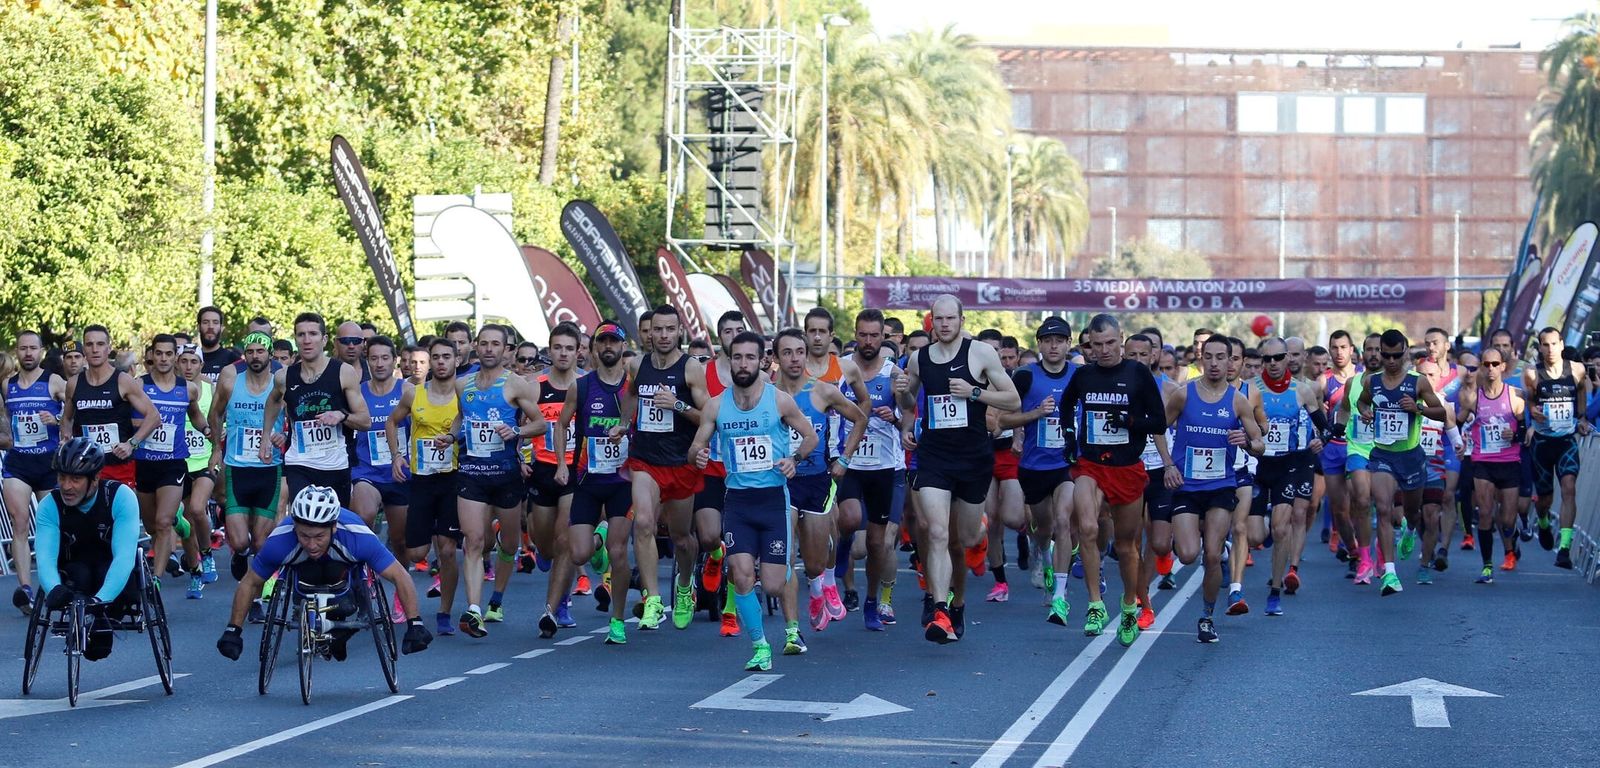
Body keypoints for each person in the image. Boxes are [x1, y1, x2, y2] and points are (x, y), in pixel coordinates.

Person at [688, 331, 819, 670]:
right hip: (739, 503)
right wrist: (697, 456)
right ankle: (760, 645)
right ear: (729, 361)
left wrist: (795, 460)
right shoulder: (717, 405)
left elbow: (810, 436)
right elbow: (696, 444)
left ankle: (788, 619)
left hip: (773, 500)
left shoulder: (778, 401)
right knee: (741, 574)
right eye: (737, 357)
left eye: (749, 357)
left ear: (762, 361)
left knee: (773, 584)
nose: (743, 364)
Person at [896, 294, 1020, 644]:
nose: (945, 324)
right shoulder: (919, 359)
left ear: (962, 320)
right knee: (936, 533)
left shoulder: (980, 353)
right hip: (934, 457)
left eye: (951, 319)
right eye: (939, 319)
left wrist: (975, 392)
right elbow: (909, 404)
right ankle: (940, 610)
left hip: (974, 458)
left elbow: (1013, 400)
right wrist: (903, 393)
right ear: (931, 321)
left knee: (964, 539)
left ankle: (960, 600)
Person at [215, 486, 432, 663]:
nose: (311, 544)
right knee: (305, 571)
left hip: (343, 571)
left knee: (346, 596)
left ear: (333, 528)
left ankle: (345, 620)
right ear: (295, 528)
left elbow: (399, 575)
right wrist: (233, 630)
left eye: (319, 536)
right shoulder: (280, 541)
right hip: (304, 572)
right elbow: (249, 583)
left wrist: (416, 624)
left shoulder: (357, 537)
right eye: (304, 535)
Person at [1056, 313, 1166, 646]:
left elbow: (1158, 421)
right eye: (1096, 344)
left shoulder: (1137, 373)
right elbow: (1066, 407)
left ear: (1120, 340)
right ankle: (1094, 605)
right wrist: (1070, 437)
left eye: (1110, 343)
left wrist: (1130, 420)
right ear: (1088, 343)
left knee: (1127, 546)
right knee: (1087, 528)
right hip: (1091, 465)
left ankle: (1129, 607)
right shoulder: (1084, 375)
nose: (1103, 351)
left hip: (1127, 468)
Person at [618, 305, 710, 632]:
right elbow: (630, 395)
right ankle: (654, 599)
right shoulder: (637, 364)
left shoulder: (691, 369)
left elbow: (708, 416)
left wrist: (678, 405)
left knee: (681, 537)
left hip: (680, 462)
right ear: (648, 332)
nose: (664, 335)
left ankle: (685, 586)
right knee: (643, 522)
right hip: (645, 460)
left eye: (670, 329)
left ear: (679, 331)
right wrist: (622, 423)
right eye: (657, 330)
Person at [1164, 338, 1262, 643]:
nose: (1217, 363)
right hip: (1187, 486)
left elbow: (1260, 444)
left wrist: (1245, 441)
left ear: (1231, 359)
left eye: (1223, 357)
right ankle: (1215, 553)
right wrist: (1168, 465)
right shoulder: (1183, 395)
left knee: (1211, 554)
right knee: (1189, 554)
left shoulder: (1237, 400)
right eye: (1210, 357)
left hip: (1221, 486)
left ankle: (1206, 617)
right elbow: (1157, 429)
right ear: (1201, 359)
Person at [453, 324, 547, 637]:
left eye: (496, 344)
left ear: (505, 349)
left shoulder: (515, 384)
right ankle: (474, 610)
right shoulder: (462, 384)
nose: (489, 349)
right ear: (476, 347)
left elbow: (540, 424)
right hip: (471, 473)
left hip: (506, 475)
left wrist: (516, 431)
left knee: (509, 543)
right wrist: (449, 436)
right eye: (485, 343)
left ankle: (497, 598)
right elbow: (460, 418)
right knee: (474, 541)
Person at [773, 328, 866, 634]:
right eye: (787, 353)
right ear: (776, 358)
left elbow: (860, 418)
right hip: (780, 484)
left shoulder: (822, 391)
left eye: (799, 352)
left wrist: (845, 459)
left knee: (813, 563)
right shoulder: (766, 393)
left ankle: (818, 590)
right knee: (786, 557)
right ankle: (791, 629)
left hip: (815, 481)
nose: (795, 359)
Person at [552, 323, 631, 642]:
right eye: (603, 341)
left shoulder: (634, 387)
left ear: (623, 346)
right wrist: (560, 463)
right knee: (580, 553)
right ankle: (598, 535)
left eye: (614, 340)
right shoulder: (582, 387)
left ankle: (618, 620)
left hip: (624, 480)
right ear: (594, 347)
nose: (608, 346)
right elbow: (559, 424)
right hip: (586, 478)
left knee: (619, 551)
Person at [1355, 330, 1449, 596]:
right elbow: (1362, 403)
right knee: (1383, 510)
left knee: (1412, 513)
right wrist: (1366, 413)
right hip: (1382, 455)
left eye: (1397, 355)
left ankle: (1409, 529)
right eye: (1387, 355)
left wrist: (1418, 409)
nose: (1392, 360)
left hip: (1410, 457)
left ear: (1405, 352)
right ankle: (1390, 575)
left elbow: (1441, 413)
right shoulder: (1372, 383)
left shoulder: (1418, 382)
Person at [999, 317, 1079, 627]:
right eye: (1048, 340)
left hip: (1067, 464)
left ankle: (1059, 595)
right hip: (1033, 465)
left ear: (1069, 344)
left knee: (1063, 521)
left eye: (1060, 340)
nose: (1054, 345)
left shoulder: (1079, 375)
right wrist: (1035, 414)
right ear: (1039, 345)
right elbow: (1003, 421)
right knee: (1043, 527)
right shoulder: (1025, 376)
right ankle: (1042, 555)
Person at [33, 439, 141, 661]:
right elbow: (45, 557)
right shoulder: (49, 505)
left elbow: (124, 557)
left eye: (75, 479)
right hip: (75, 571)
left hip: (112, 571)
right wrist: (53, 588)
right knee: (79, 573)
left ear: (95, 479)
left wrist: (100, 600)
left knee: (108, 574)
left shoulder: (120, 497)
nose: (66, 486)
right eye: (62, 477)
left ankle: (101, 621)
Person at [387, 337, 462, 637]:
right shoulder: (413, 394)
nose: (442, 361)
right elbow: (391, 423)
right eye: (437, 357)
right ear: (430, 362)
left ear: (456, 360)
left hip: (453, 479)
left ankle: (444, 612)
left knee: (447, 550)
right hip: (421, 479)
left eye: (447, 356)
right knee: (416, 552)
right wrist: (396, 456)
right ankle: (428, 538)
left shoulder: (464, 395)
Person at [209, 332, 284, 621]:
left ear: (269, 354)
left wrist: (282, 436)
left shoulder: (282, 380)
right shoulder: (230, 377)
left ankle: (254, 599)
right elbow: (216, 413)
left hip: (269, 468)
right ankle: (239, 557)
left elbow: (290, 417)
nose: (255, 356)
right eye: (250, 351)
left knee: (261, 543)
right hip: (238, 468)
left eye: (260, 351)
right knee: (240, 543)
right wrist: (217, 446)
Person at [833, 310, 901, 631]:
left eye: (875, 335)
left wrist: (895, 417)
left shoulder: (892, 374)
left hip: (883, 466)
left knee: (876, 544)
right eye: (863, 335)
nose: (869, 341)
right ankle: (843, 545)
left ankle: (872, 601)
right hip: (849, 462)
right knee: (847, 518)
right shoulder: (841, 368)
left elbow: (910, 421)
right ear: (856, 334)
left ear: (882, 336)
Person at [260, 312, 371, 507]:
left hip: (336, 464)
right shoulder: (283, 376)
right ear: (295, 339)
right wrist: (265, 436)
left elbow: (365, 421)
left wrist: (341, 415)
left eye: (313, 334)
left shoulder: (343, 372)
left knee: (332, 523)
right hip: (299, 463)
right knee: (304, 519)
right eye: (301, 335)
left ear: (325, 339)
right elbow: (273, 402)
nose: (307, 340)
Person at [1248, 337, 1324, 616]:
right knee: (1257, 535)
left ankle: (1275, 592)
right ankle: (1264, 522)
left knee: (1282, 529)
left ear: (1286, 359)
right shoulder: (1249, 389)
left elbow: (1322, 426)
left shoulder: (1302, 391)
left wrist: (1322, 440)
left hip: (1289, 465)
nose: (1273, 364)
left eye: (1278, 358)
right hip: (1257, 466)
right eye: (1267, 359)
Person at [131, 334, 213, 591]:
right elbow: (127, 418)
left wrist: (209, 431)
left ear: (174, 358)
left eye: (169, 354)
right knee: (153, 525)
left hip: (174, 463)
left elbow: (197, 417)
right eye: (159, 353)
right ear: (151, 356)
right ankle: (182, 526)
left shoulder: (187, 389)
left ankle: (155, 581)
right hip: (144, 463)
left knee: (164, 521)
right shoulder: (138, 386)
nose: (164, 358)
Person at [526, 323, 583, 636]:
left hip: (575, 469)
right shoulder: (536, 386)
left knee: (566, 538)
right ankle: (545, 556)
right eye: (557, 348)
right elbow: (521, 425)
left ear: (578, 352)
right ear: (550, 350)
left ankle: (555, 605)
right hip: (543, 469)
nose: (563, 354)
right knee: (546, 544)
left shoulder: (586, 385)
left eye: (569, 348)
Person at [5, 330, 67, 613]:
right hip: (19, 462)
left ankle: (53, 582)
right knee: (19, 522)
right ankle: (25, 588)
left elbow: (74, 411)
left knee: (50, 524)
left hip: (48, 463)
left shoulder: (53, 381)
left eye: (33, 348)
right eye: (22, 348)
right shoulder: (8, 385)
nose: (28, 353)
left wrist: (55, 419)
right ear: (16, 351)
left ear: (41, 351)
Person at [350, 336, 410, 620]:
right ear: (367, 359)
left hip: (399, 473)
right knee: (362, 516)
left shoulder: (407, 390)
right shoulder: (358, 392)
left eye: (385, 357)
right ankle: (366, 578)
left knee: (400, 541)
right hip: (367, 472)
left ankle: (401, 590)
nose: (379, 363)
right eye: (373, 358)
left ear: (394, 360)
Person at [1522, 327, 1592, 569]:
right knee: (1544, 498)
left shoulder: (1577, 369)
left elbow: (1582, 389)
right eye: (1545, 344)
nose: (1550, 349)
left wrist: (1581, 418)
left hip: (1566, 440)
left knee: (1569, 488)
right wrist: (1532, 411)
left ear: (1562, 344)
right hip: (1542, 442)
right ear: (1539, 347)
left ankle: (1564, 548)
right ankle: (1542, 520)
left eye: (1554, 344)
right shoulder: (1532, 373)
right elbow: (1530, 399)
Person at [62, 325, 163, 490]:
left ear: (109, 348)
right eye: (89, 344)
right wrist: (66, 439)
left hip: (119, 466)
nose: (95, 349)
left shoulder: (123, 380)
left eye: (100, 344)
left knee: (119, 514)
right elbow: (67, 418)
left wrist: (131, 444)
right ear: (84, 349)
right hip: (85, 467)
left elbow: (154, 416)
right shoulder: (74, 384)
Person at [1457, 347, 1524, 584]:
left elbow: (1526, 430)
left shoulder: (1514, 395)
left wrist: (1514, 433)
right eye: (1486, 364)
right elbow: (1456, 422)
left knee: (1507, 519)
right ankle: (1487, 566)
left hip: (1509, 463)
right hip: (1483, 462)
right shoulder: (1474, 398)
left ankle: (1511, 535)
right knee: (1485, 513)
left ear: (1503, 366)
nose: (1491, 368)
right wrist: (1458, 442)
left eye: (1495, 364)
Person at [176, 343, 222, 598]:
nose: (188, 367)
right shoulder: (170, 387)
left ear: (201, 364)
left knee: (196, 509)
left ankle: (207, 555)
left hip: (203, 460)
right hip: (178, 462)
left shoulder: (209, 389)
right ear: (176, 363)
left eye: (193, 361)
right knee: (184, 521)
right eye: (184, 361)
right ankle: (194, 569)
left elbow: (217, 420)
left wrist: (217, 449)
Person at [197, 306, 242, 384]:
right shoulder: (190, 361)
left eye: (215, 322)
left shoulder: (234, 360)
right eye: (205, 322)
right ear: (198, 327)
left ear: (221, 328)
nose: (210, 327)